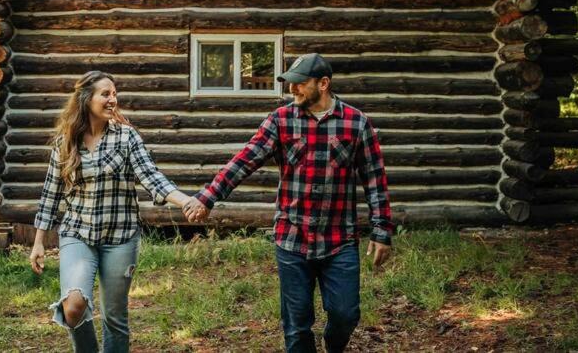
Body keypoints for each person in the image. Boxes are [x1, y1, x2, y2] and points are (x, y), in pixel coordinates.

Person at [183, 53, 393, 353]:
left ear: (323, 84)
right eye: (289, 84)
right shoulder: (280, 120)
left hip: (340, 239)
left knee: (346, 315)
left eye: (299, 84)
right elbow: (244, 160)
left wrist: (382, 230)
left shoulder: (356, 123)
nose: (292, 90)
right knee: (296, 325)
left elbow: (374, 178)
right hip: (292, 238)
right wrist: (208, 197)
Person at [29, 70, 196, 353]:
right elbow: (50, 193)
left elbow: (152, 177)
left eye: (114, 94)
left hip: (120, 237)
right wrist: (38, 241)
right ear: (86, 99)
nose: (112, 100)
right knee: (73, 307)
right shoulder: (66, 141)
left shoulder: (126, 137)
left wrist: (186, 201)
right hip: (77, 233)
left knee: (114, 317)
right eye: (105, 94)